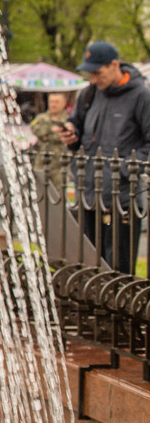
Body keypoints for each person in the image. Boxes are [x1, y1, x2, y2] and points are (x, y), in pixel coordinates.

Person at [60, 41, 150, 275]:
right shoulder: (88, 94)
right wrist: (71, 134)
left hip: (123, 199)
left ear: (114, 65)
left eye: (97, 73)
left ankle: (119, 311)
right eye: (90, 73)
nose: (93, 79)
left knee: (117, 270)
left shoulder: (142, 95)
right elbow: (77, 126)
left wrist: (124, 171)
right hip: (89, 193)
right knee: (88, 265)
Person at [29, 90, 74, 193]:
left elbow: (65, 136)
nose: (53, 105)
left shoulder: (68, 119)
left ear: (63, 103)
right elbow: (35, 129)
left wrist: (46, 135)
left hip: (59, 164)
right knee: (40, 193)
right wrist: (51, 130)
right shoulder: (41, 118)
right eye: (52, 102)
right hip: (42, 161)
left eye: (57, 102)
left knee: (59, 195)